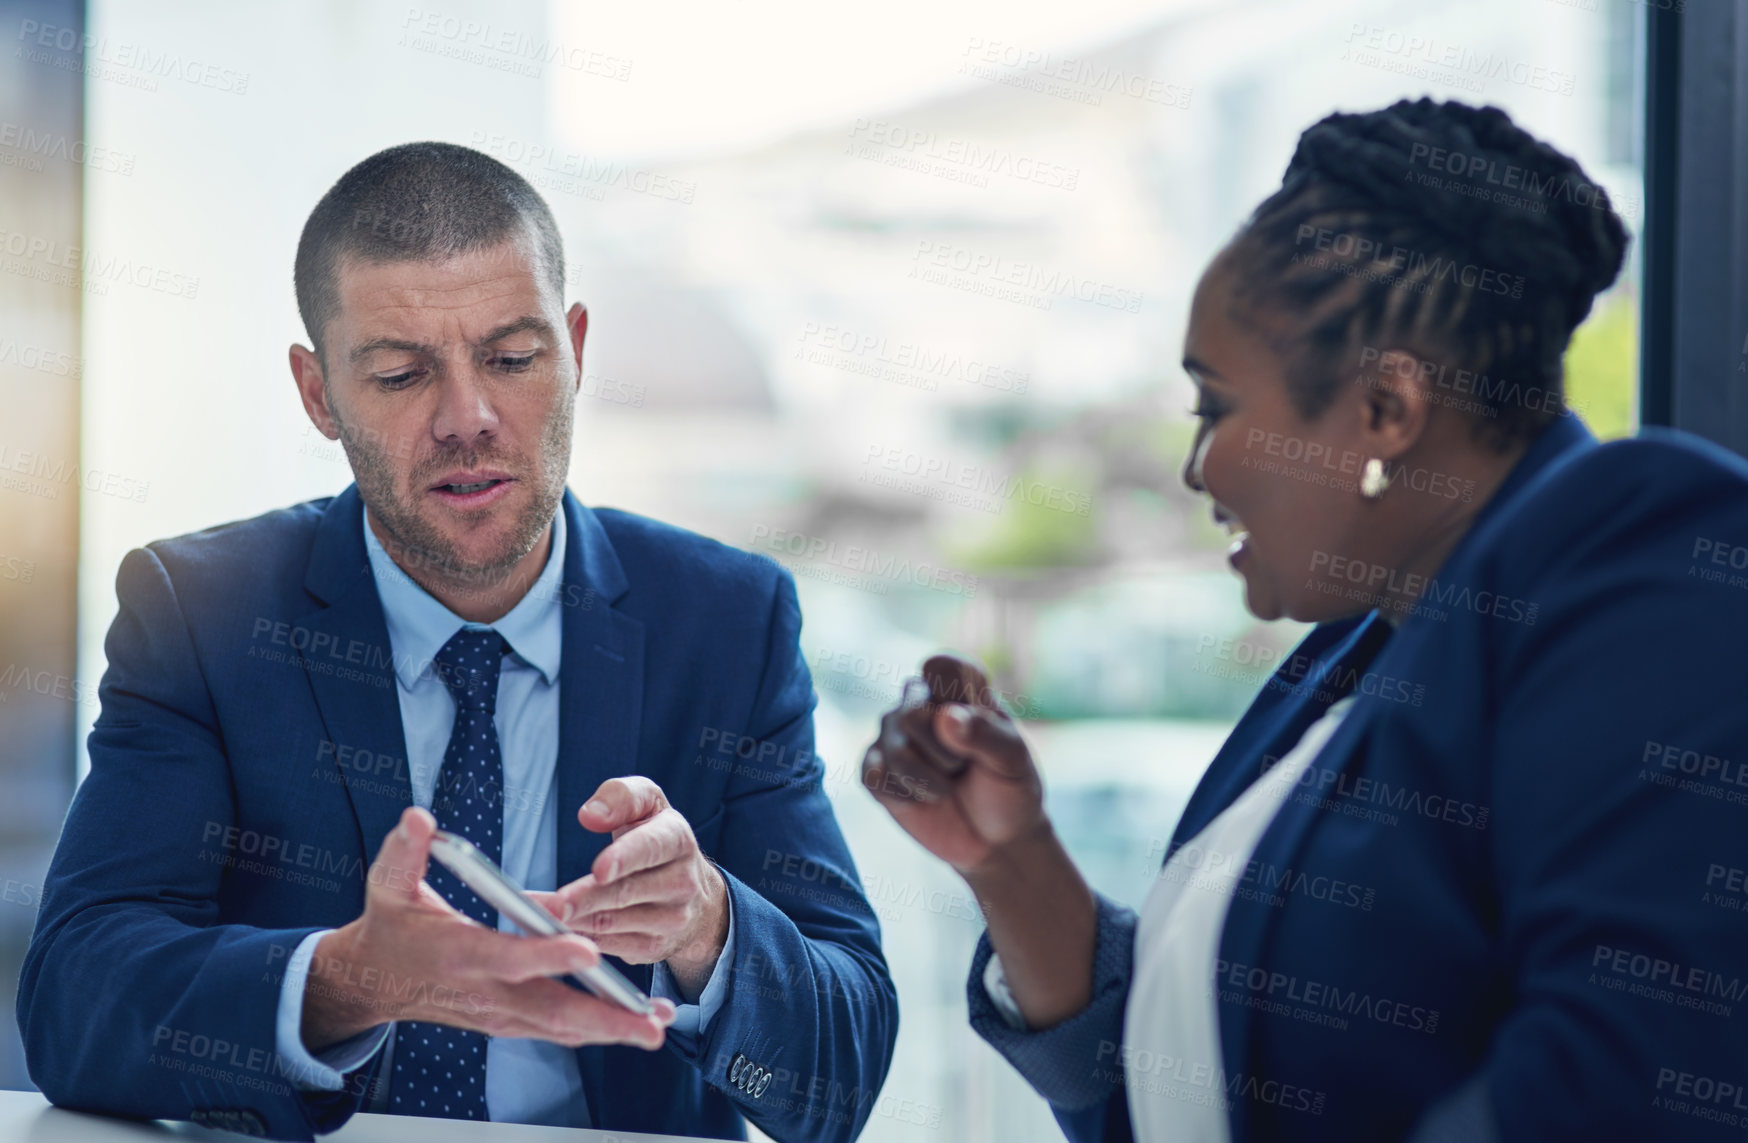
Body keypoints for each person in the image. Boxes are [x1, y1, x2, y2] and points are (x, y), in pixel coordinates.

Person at [861, 98, 1748, 1141]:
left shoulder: (1635, 548)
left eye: (1216, 407)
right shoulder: (1357, 654)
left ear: (1384, 409)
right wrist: (1010, 858)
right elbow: (1177, 1095)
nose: (1198, 467)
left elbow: (1627, 1080)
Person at [18, 142, 896, 1143]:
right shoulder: (202, 610)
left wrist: (707, 923)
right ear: (319, 395)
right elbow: (72, 1002)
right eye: (400, 375)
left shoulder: (728, 622)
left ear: (573, 349)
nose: (468, 419)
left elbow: (843, 1077)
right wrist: (350, 979)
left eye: (513, 360)